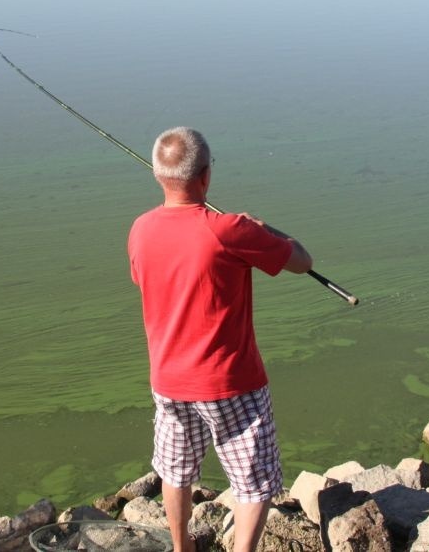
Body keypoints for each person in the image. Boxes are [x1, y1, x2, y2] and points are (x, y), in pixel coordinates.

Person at [127, 127, 313, 552]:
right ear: (206, 176)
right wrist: (265, 229)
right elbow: (303, 261)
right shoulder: (231, 230)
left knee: (176, 471)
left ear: (159, 176)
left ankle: (181, 547)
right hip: (232, 383)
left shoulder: (140, 230)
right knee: (253, 483)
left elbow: (145, 277)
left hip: (168, 382)